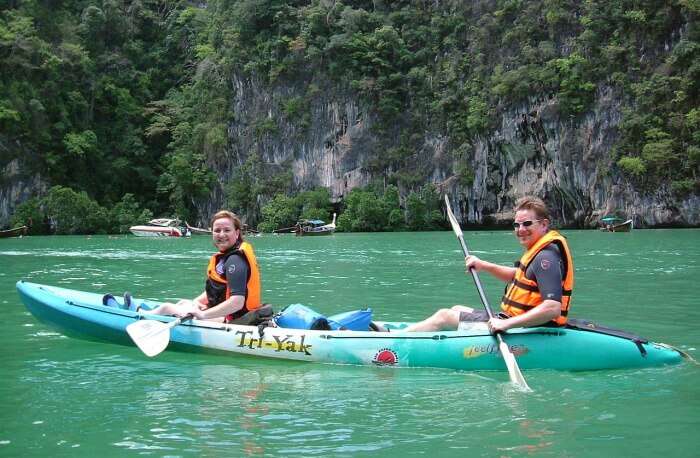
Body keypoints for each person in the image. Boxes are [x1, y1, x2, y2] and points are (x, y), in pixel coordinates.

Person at [404, 196, 573, 333]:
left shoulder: (546, 258)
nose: (520, 229)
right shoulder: (537, 251)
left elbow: (552, 308)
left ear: (544, 224)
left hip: (530, 330)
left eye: (527, 223)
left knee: (444, 316)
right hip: (512, 320)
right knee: (456, 308)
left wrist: (506, 324)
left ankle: (396, 339)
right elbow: (519, 276)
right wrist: (484, 265)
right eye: (516, 224)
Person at [149, 210, 263, 322]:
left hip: (236, 320)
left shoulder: (235, 260)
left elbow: (237, 302)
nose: (222, 234)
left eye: (227, 230)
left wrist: (203, 315)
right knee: (184, 303)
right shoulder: (226, 257)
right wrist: (195, 304)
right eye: (217, 230)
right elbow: (218, 290)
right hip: (229, 315)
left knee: (166, 307)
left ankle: (140, 317)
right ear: (212, 233)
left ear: (237, 233)